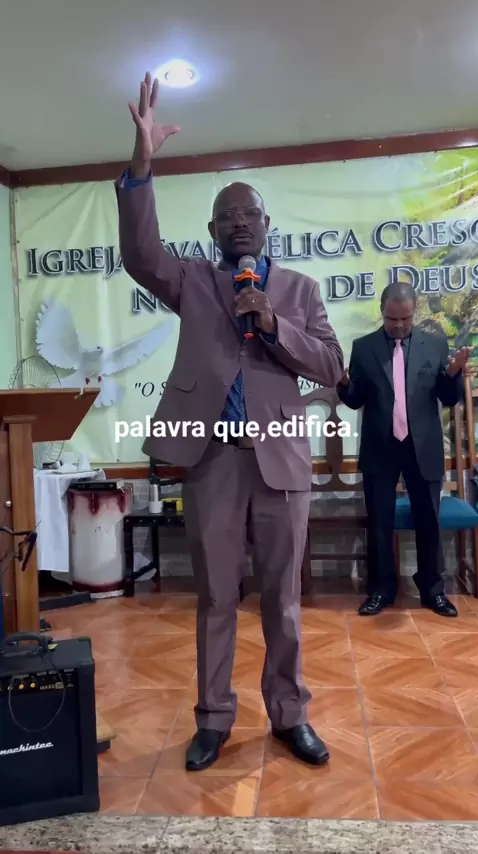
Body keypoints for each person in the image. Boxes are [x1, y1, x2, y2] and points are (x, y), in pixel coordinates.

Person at [116, 73, 344, 770]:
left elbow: (331, 365)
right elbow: (140, 255)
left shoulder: (300, 290)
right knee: (216, 595)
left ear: (268, 225)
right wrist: (142, 167)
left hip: (280, 461)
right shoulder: (194, 281)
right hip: (212, 459)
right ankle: (213, 719)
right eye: (226, 217)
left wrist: (274, 325)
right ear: (213, 232)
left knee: (282, 598)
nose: (239, 224)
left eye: (250, 215)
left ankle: (289, 715)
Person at [337, 281, 471, 617]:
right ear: (382, 312)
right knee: (379, 523)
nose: (398, 325)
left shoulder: (435, 344)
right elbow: (355, 399)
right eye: (391, 319)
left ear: (415, 311)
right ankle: (381, 590)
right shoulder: (364, 347)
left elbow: (448, 397)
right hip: (380, 447)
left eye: (405, 319)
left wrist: (454, 374)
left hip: (423, 447)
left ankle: (432, 590)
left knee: (429, 520)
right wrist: (342, 383)